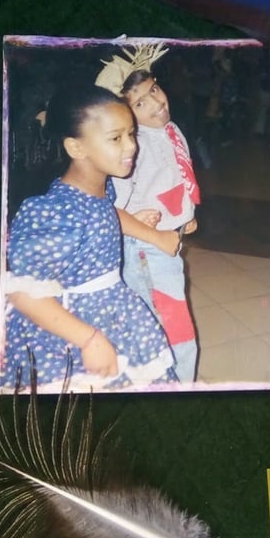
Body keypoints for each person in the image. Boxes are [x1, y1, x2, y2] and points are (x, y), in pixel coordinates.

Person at [0, 84, 179, 392]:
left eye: (131, 134)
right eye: (116, 138)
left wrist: (155, 236)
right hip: (72, 328)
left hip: (114, 311)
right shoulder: (54, 211)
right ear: (76, 148)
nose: (131, 147)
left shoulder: (100, 188)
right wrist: (89, 339)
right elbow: (21, 292)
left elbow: (108, 213)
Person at [96, 44, 200, 383]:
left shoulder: (169, 129)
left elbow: (175, 175)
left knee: (159, 320)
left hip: (164, 243)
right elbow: (106, 209)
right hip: (146, 249)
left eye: (153, 90)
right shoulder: (132, 148)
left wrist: (184, 213)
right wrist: (137, 223)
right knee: (174, 331)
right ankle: (177, 388)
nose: (156, 103)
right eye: (140, 103)